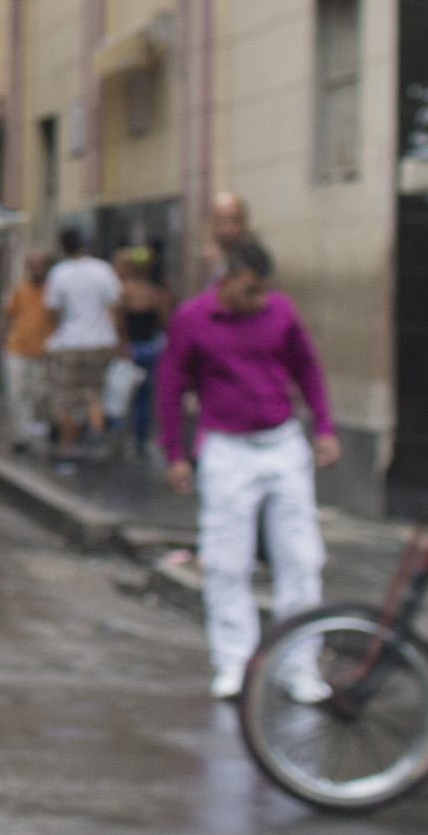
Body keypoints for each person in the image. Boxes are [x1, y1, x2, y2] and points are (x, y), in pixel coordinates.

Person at [160, 238, 338, 701]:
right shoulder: (193, 320)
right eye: (249, 290)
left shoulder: (281, 313)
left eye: (263, 291)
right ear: (227, 280)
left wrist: (325, 427)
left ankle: (299, 665)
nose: (258, 300)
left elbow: (309, 370)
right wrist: (174, 453)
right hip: (226, 448)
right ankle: (234, 661)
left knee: (300, 558)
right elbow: (171, 385)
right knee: (225, 559)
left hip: (282, 442)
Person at [42, 226, 122, 458]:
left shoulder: (59, 273)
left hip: (70, 343)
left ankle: (69, 445)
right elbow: (115, 307)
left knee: (66, 398)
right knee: (94, 394)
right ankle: (96, 438)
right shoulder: (103, 270)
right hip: (100, 342)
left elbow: (52, 312)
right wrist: (118, 341)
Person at [114, 247, 172, 455]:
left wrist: (122, 345)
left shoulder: (123, 291)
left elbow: (118, 323)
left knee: (120, 394)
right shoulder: (155, 293)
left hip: (130, 348)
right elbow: (164, 322)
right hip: (149, 348)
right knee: (143, 397)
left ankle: (119, 434)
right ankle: (139, 437)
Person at [2, 254, 53, 452]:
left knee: (41, 394)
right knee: (18, 394)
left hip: (44, 351)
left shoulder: (52, 291)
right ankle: (21, 436)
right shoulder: (19, 290)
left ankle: (38, 429)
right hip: (18, 349)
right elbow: (8, 315)